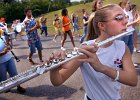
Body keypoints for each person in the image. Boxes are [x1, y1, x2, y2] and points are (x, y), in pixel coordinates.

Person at [48, 4, 138, 100]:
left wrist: (102, 68)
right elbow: (58, 81)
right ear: (102, 25)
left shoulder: (122, 47)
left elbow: (133, 80)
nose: (125, 21)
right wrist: (54, 68)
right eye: (119, 18)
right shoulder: (86, 49)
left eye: (125, 17)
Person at [0, 29, 26, 93]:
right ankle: (6, 88)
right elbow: (4, 51)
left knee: (14, 74)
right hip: (0, 63)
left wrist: (9, 45)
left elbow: (9, 45)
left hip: (9, 59)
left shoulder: (2, 38)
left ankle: (18, 86)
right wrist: (4, 52)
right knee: (3, 78)